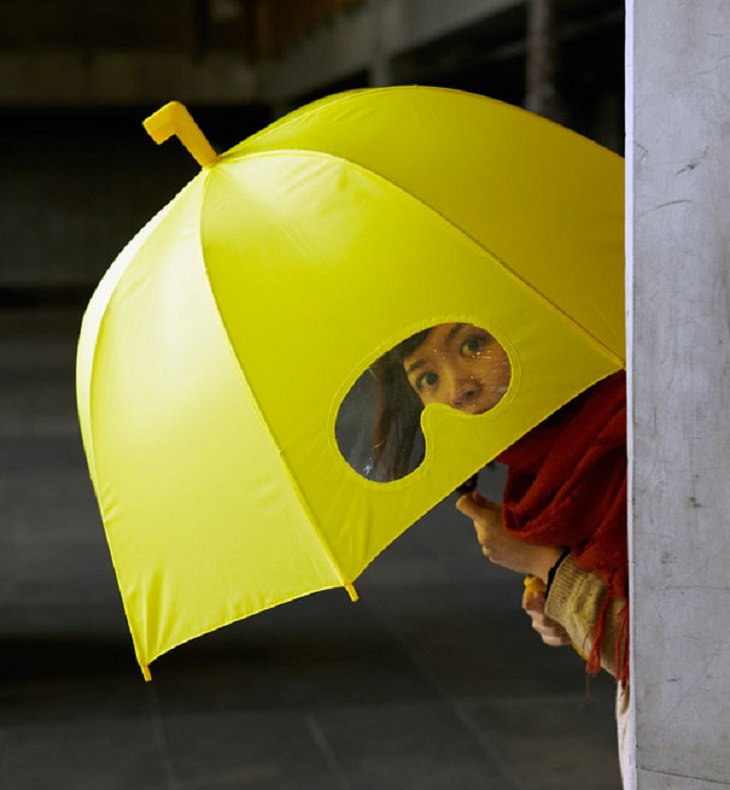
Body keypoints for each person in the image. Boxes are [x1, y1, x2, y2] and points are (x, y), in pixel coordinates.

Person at [368, 320, 631, 784]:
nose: (460, 389)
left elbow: (676, 662)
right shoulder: (537, 477)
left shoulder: (633, 431)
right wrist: (562, 597)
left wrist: (548, 566)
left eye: (473, 345)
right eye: (427, 378)